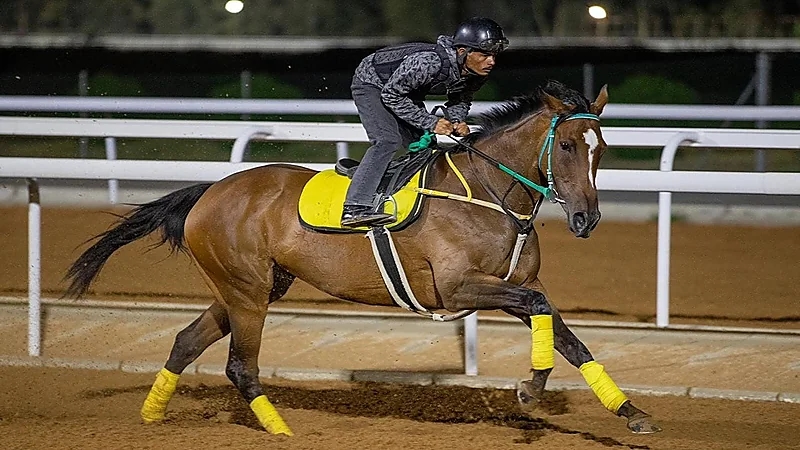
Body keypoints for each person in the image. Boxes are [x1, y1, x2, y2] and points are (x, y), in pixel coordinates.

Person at [340, 17, 509, 228]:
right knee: (387, 140)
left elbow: (461, 99)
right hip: (373, 83)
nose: (491, 62)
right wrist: (431, 122)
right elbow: (391, 95)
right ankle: (354, 207)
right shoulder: (430, 62)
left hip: (405, 90)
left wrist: (456, 120)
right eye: (484, 55)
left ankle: (389, 183)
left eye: (494, 55)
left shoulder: (476, 73)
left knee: (425, 147)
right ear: (462, 51)